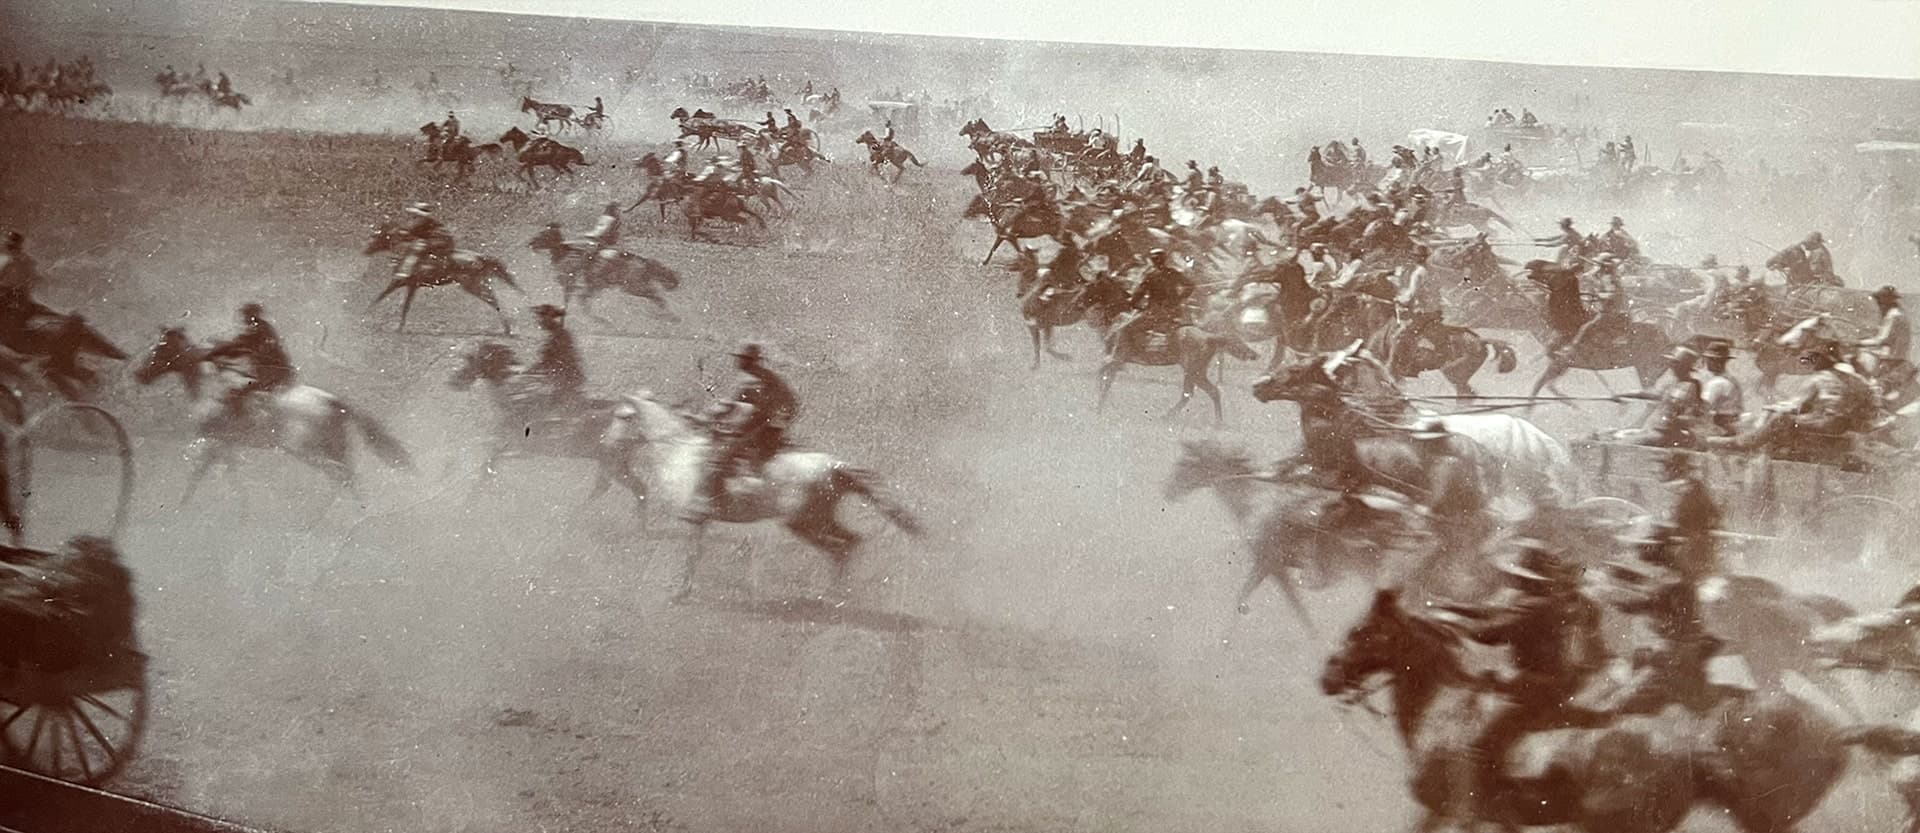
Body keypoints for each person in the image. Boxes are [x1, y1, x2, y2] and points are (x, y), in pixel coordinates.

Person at [1445, 545, 1610, 820]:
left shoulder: (1539, 607)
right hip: (1535, 685)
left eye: (1520, 577)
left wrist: (1457, 626)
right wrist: (1454, 609)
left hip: (1538, 690)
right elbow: (1493, 613)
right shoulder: (1540, 603)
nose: (1515, 581)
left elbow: (1495, 631)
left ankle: (1490, 808)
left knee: (1485, 745)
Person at [1600, 524, 1729, 717]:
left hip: (1677, 649)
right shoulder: (1672, 570)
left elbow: (1650, 600)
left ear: (1656, 548)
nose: (1640, 553)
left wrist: (1615, 599)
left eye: (1643, 548)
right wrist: (1620, 577)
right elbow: (1650, 590)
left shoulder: (1672, 576)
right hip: (1676, 645)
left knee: (1631, 697)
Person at [1708, 347, 1874, 466]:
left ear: (1821, 359)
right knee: (1787, 419)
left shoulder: (1819, 378)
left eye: (1813, 358)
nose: (1810, 362)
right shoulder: (1850, 378)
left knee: (1780, 419)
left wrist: (1773, 408)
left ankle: (1743, 443)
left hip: (1826, 424)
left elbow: (1796, 406)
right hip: (1841, 426)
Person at [689, 342, 799, 521]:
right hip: (771, 421)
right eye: (739, 358)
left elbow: (744, 408)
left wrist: (709, 419)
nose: (738, 362)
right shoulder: (757, 376)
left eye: (742, 359)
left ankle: (706, 503)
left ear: (750, 361)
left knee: (722, 455)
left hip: (768, 423)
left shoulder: (755, 380)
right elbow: (735, 404)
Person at [1407, 418, 1492, 569]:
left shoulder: (1446, 464)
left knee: (1427, 553)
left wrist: (1424, 509)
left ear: (1437, 443)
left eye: (1427, 442)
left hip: (1459, 520)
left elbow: (1438, 494)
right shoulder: (1447, 461)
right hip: (1456, 515)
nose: (1423, 446)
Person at [203, 302, 294, 421]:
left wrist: (213, 352)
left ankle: (240, 425)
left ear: (253, 314)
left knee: (237, 394)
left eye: (246, 314)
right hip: (276, 373)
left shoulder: (258, 329)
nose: (244, 318)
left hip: (274, 374)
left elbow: (239, 344)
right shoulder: (262, 328)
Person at [1613, 347, 1705, 448]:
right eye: (1671, 362)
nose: (1671, 366)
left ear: (1685, 366)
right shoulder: (1673, 381)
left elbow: (1684, 414)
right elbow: (1654, 393)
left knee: (1623, 444)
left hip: (1665, 433)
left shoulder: (1689, 386)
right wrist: (1625, 394)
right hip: (1654, 428)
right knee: (1613, 436)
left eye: (1675, 363)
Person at [1112, 249, 1191, 351]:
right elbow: (1190, 285)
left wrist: (1131, 303)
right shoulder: (1173, 273)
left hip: (1155, 312)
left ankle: (1119, 357)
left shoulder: (1151, 276)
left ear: (1153, 261)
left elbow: (1139, 294)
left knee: (1126, 328)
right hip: (1176, 311)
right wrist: (1179, 299)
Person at [1556, 254, 1629, 360]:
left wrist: (1599, 295)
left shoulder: (1609, 278)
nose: (1597, 268)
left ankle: (1569, 351)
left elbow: (1612, 294)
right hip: (1609, 311)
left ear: (1605, 267)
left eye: (1600, 266)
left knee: (1585, 327)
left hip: (1612, 314)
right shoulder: (1608, 277)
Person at [1387, 245, 1441, 376]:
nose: (1413, 258)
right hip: (1436, 311)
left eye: (1414, 256)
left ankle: (1392, 369)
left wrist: (1399, 299)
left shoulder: (1417, 273)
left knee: (1397, 336)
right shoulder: (1434, 270)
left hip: (1423, 312)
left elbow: (1411, 295)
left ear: (1417, 258)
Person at [1854, 285, 1911, 397]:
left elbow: (1882, 340)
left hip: (1890, 358)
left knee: (1859, 363)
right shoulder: (1901, 314)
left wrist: (1857, 343)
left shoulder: (1893, 316)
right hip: (1899, 355)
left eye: (1880, 302)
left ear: (1885, 301)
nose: (1879, 306)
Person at [526, 305, 586, 411]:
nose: (540, 321)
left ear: (550, 318)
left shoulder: (559, 336)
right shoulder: (556, 335)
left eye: (542, 317)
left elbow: (550, 360)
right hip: (560, 378)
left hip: (566, 378)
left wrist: (529, 371)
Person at [394, 202, 453, 284]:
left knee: (418, 247)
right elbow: (412, 231)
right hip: (438, 240)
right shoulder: (423, 222)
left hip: (439, 241)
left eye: (416, 215)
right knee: (415, 245)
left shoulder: (426, 222)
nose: (415, 217)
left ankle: (406, 271)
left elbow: (414, 232)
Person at [1697, 340, 1745, 435]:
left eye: (1709, 359)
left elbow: (1703, 408)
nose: (1706, 362)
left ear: (1715, 361)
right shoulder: (1731, 380)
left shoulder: (1716, 383)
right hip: (1733, 425)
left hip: (1721, 428)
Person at [1766, 232, 1838, 287]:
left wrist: (1795, 268)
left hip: (1820, 282)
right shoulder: (1822, 251)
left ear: (1813, 242)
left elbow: (1814, 270)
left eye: (1807, 243)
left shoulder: (1818, 252)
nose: (1806, 246)